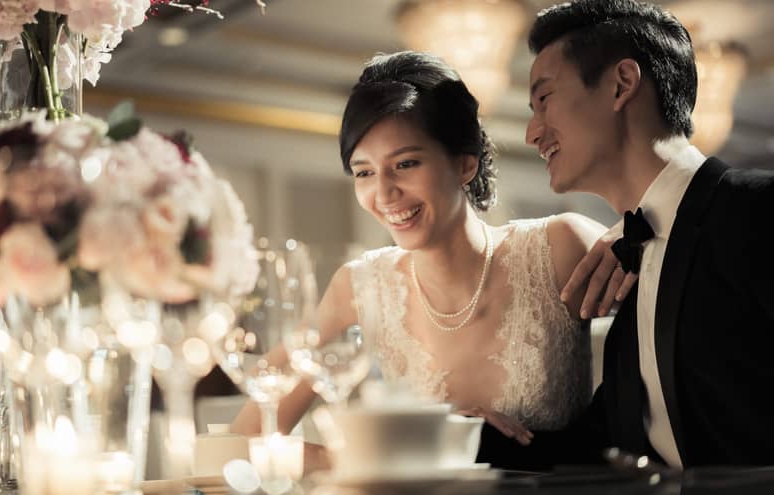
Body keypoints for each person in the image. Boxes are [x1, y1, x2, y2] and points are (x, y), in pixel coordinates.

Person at [231, 51, 616, 453]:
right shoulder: (359, 286)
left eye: (406, 163)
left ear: (465, 165)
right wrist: (400, 447)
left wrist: (627, 233)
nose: (383, 193)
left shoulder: (557, 248)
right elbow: (248, 435)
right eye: (364, 172)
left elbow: (673, 284)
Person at [480, 0, 774, 470]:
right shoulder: (626, 267)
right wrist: (466, 432)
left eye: (545, 99)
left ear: (621, 85)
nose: (533, 131)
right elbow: (598, 449)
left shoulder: (759, 212)